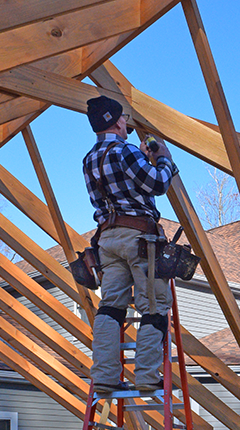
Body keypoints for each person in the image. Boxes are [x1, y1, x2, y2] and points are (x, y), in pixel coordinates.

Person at [83, 95, 177, 395]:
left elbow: (118, 188)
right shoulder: (124, 152)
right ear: (116, 120)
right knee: (154, 306)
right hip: (139, 238)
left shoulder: (89, 159)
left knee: (110, 308)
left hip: (107, 240)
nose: (127, 124)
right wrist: (164, 159)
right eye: (124, 119)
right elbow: (158, 184)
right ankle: (148, 376)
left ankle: (104, 377)